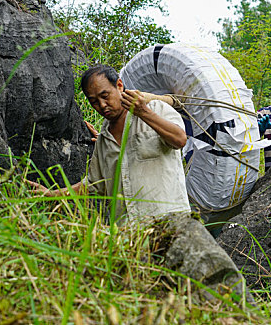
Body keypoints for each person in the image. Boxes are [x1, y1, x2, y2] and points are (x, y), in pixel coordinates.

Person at [29, 65, 190, 224]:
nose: (102, 105)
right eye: (94, 101)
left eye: (105, 96)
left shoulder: (156, 108)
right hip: (129, 235)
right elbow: (93, 184)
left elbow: (179, 139)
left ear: (119, 86)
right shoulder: (104, 139)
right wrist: (52, 194)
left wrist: (143, 112)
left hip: (171, 224)